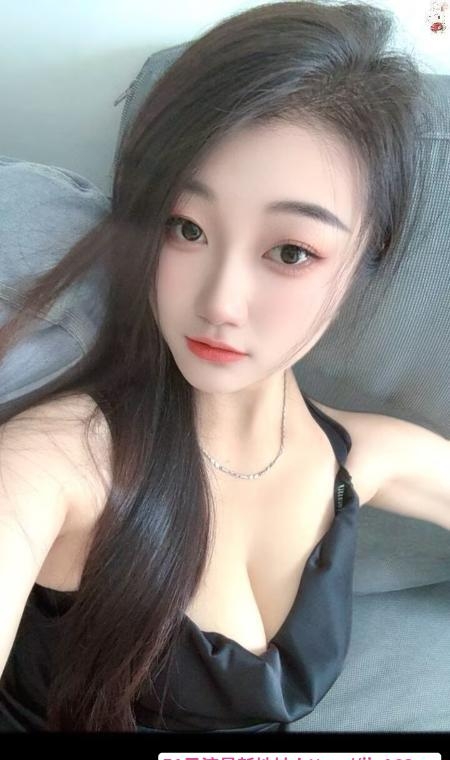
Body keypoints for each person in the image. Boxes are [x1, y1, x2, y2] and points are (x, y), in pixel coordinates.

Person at [0, 0, 448, 734]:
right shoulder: (60, 463)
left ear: (367, 257)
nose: (219, 303)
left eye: (290, 251)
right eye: (186, 228)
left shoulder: (364, 457)